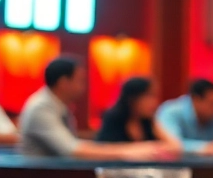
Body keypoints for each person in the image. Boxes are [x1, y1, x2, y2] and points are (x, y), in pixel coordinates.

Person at [18, 57, 173, 161]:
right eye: (80, 80)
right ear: (64, 82)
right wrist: (129, 151)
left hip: (53, 175)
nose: (84, 86)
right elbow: (72, 150)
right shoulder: (41, 107)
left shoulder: (58, 106)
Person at [155, 79, 213, 160]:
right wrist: (209, 148)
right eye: (212, 103)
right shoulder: (171, 111)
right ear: (196, 100)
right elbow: (172, 146)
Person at [95, 77, 181, 157]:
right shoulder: (113, 118)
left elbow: (176, 146)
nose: (154, 102)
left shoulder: (149, 120)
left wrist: (151, 147)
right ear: (133, 98)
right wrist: (142, 148)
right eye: (149, 96)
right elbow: (102, 149)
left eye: (155, 96)